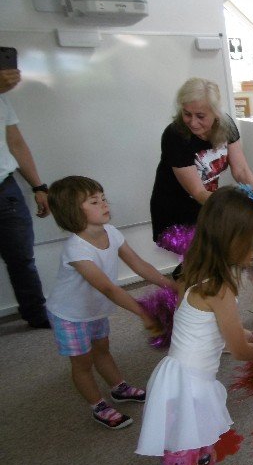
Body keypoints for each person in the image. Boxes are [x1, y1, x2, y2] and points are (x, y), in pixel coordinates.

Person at [136, 186, 253, 465]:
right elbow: (238, 351)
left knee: (202, 458)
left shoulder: (201, 272)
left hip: (184, 382)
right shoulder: (219, 287)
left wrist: (248, 335)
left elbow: (212, 333)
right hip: (186, 392)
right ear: (233, 239)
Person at [46, 176, 177, 429]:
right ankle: (97, 405)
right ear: (73, 211)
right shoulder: (77, 249)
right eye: (94, 201)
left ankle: (119, 387)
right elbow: (107, 288)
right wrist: (143, 312)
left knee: (102, 350)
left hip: (95, 310)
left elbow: (139, 264)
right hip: (70, 316)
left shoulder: (112, 233)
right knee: (83, 363)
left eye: (103, 198)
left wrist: (169, 284)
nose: (105, 204)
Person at [149, 77, 253, 249]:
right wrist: (235, 207)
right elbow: (198, 192)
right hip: (176, 218)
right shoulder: (175, 136)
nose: (193, 122)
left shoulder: (226, 125)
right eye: (187, 114)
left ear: (216, 113)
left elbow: (241, 170)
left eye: (200, 116)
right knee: (207, 257)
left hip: (208, 211)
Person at [0, 67, 51, 328]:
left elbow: (16, 144)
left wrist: (38, 186)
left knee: (22, 257)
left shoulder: (2, 98)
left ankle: (36, 314)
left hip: (5, 188)